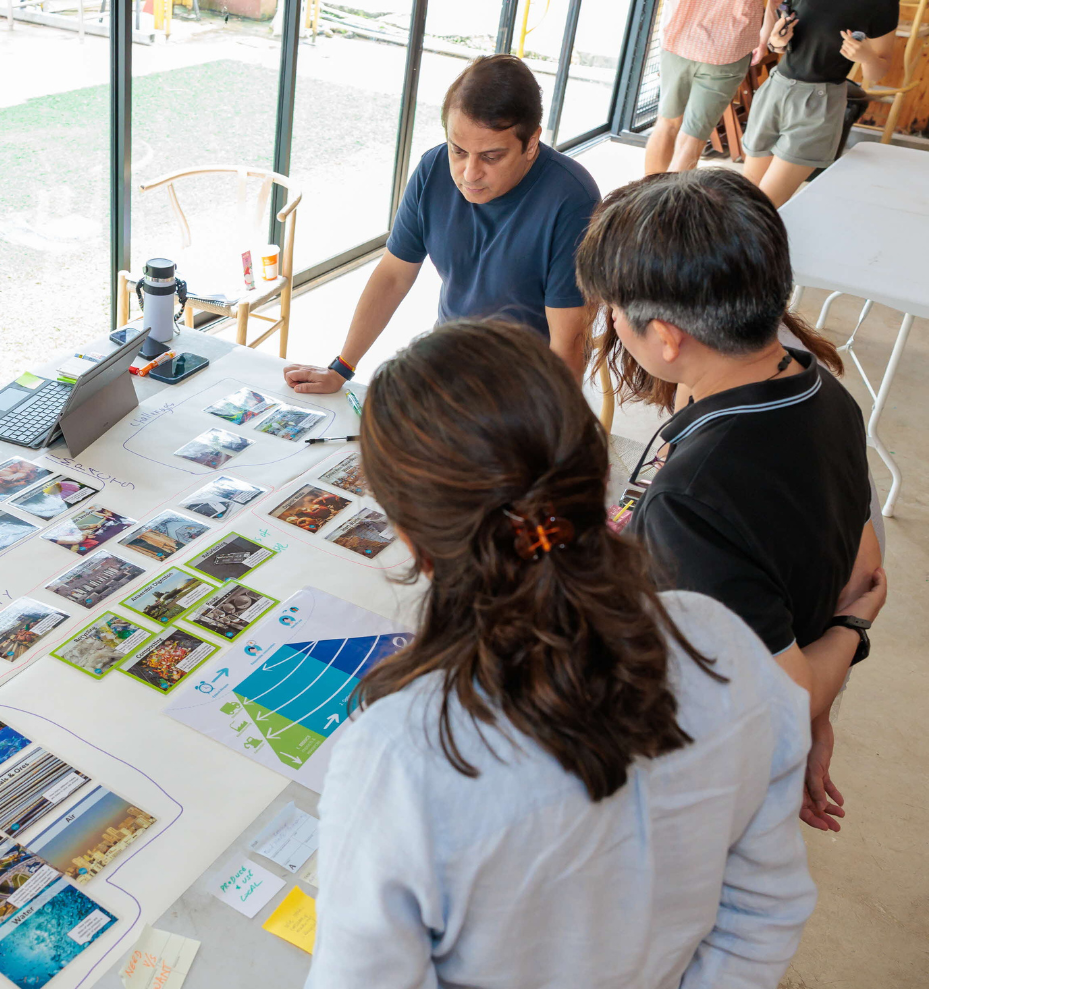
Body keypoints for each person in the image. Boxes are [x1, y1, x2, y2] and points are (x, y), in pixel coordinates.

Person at [275, 320, 817, 989]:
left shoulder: (401, 756)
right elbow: (765, 911)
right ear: (600, 472)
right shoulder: (726, 647)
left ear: (409, 536)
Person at [578, 168, 889, 832]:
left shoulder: (693, 500)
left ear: (666, 336)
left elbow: (782, 699)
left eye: (611, 308)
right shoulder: (819, 387)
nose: (608, 321)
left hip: (688, 764)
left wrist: (844, 640)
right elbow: (859, 567)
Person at [284, 54, 599, 394]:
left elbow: (568, 344)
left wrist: (547, 436)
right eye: (458, 150)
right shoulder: (433, 169)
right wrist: (341, 368)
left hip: (524, 386)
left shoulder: (573, 200)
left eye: (491, 157)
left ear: (532, 142)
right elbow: (393, 276)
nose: (469, 173)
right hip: (447, 364)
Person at [742, 0, 900, 205]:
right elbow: (779, 44)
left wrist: (867, 58)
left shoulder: (881, 4)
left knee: (766, 204)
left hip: (819, 103)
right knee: (745, 197)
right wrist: (776, 42)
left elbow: (878, 72)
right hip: (775, 90)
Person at [643, 0, 775, 174]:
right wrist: (763, 39)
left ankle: (645, 196)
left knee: (666, 123)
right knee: (694, 136)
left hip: (679, 38)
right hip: (728, 48)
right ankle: (670, 200)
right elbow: (775, 3)